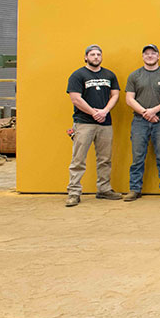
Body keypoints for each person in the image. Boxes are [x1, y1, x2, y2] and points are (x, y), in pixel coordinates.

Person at [65, 44, 122, 207]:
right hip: (83, 123)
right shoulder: (77, 75)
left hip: (105, 123)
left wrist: (104, 111)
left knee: (105, 159)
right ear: (86, 57)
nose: (96, 57)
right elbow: (75, 98)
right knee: (78, 159)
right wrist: (93, 112)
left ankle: (104, 189)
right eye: (92, 54)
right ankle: (74, 192)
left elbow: (115, 94)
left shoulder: (109, 75)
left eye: (98, 54)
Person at [123, 44, 160, 201]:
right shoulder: (134, 76)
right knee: (138, 156)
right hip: (139, 121)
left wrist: (154, 111)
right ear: (142, 57)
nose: (150, 56)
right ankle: (134, 189)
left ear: (158, 56)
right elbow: (129, 99)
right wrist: (145, 113)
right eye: (146, 53)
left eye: (153, 53)